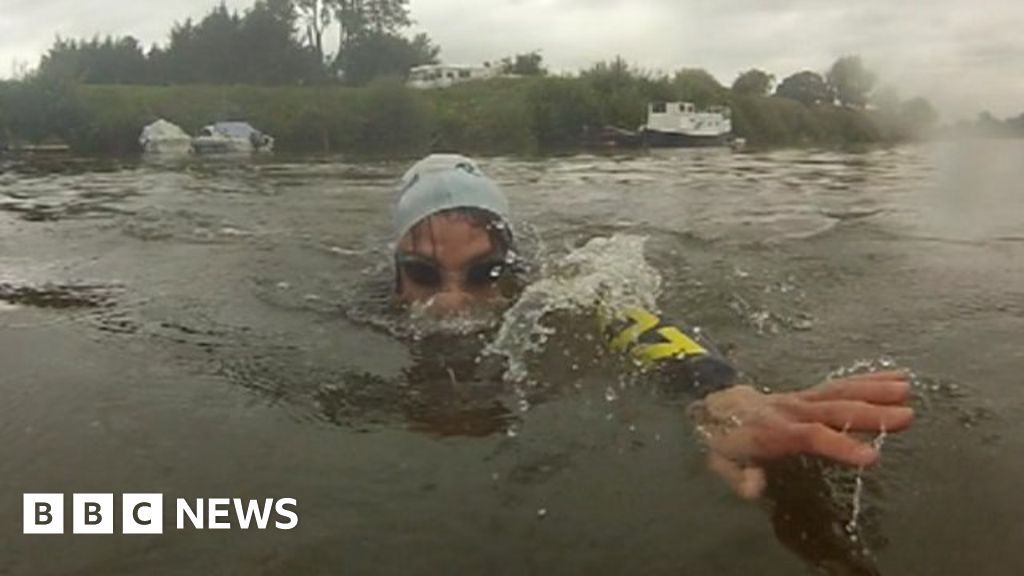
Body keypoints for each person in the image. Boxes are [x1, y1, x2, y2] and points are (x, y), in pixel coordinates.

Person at [391, 154, 914, 500]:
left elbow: (628, 317)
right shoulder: (365, 308)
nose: (453, 300)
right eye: (423, 274)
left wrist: (718, 392)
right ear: (396, 275)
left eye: (486, 273)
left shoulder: (546, 293)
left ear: (513, 271)